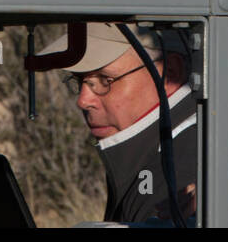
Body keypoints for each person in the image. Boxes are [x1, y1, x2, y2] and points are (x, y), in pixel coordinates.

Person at [38, 23, 198, 223]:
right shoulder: (168, 153)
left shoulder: (180, 175)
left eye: (105, 80)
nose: (83, 100)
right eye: (79, 80)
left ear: (169, 72)